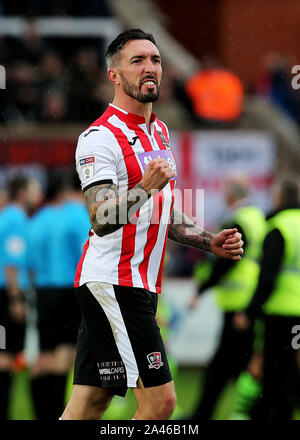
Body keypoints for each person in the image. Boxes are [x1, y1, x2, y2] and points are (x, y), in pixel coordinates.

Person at [61, 29, 244, 421]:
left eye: (156, 60)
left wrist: (209, 241)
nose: (150, 68)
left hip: (138, 285)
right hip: (114, 282)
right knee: (161, 403)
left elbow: (161, 209)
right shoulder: (98, 139)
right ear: (114, 75)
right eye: (138, 60)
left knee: (90, 403)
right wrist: (145, 186)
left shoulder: (158, 132)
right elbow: (102, 218)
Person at [189, 174, 266, 420]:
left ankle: (204, 414)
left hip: (238, 302)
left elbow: (226, 262)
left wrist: (202, 289)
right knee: (242, 363)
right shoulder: (257, 217)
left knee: (222, 365)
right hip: (252, 299)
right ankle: (252, 410)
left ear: (231, 193)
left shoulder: (237, 221)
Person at [234, 173, 300, 420]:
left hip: (280, 313)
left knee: (274, 370)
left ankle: (274, 413)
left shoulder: (278, 227)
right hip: (299, 315)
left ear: (279, 197)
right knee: (293, 367)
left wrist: (250, 310)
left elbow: (268, 278)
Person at [29, 172, 90, 420]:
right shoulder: (76, 214)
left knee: (44, 354)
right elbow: (87, 253)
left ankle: (41, 412)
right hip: (67, 289)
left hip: (43, 288)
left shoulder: (42, 218)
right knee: (65, 352)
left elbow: (30, 258)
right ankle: (56, 412)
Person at [0, 175, 38, 419]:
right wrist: (15, 299)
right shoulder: (16, 218)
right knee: (5, 356)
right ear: (23, 192)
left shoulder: (7, 216)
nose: (38, 194)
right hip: (7, 293)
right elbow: (12, 263)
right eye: (34, 188)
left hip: (5, 291)